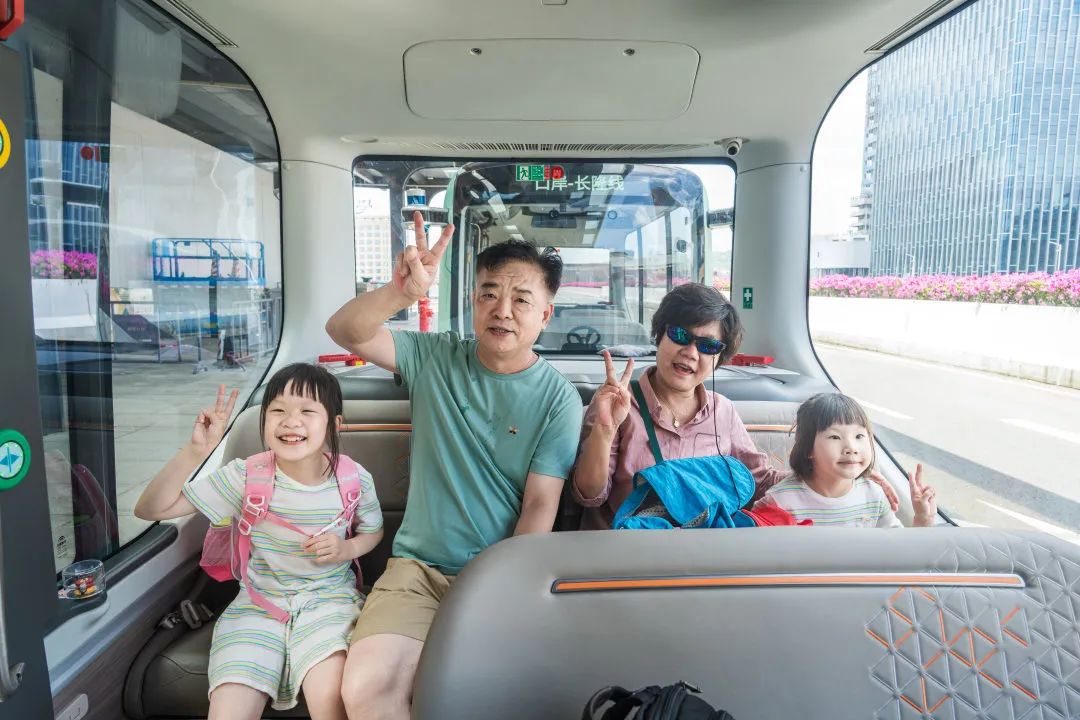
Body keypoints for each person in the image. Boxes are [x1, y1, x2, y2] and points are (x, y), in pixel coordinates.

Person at [325, 212, 583, 720]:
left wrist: (503, 588)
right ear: (472, 301)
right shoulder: (434, 357)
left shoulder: (559, 400)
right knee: (366, 690)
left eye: (521, 299)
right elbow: (344, 330)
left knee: (487, 695)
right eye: (489, 293)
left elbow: (539, 505)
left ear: (546, 314)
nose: (502, 310)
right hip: (416, 572)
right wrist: (399, 294)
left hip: (498, 574)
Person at [133, 365, 384, 720]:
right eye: (278, 410)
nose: (290, 421)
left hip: (331, 602)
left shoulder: (353, 479)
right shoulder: (245, 475)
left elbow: (373, 531)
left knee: (329, 698)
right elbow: (150, 509)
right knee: (229, 707)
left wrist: (347, 549)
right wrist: (196, 451)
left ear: (334, 425)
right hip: (258, 605)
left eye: (307, 411)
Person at [571, 283, 792, 529]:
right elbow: (589, 496)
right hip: (626, 546)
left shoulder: (723, 411)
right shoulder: (616, 402)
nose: (690, 353)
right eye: (680, 335)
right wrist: (604, 430)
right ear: (659, 335)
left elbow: (761, 481)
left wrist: (817, 469)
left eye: (708, 346)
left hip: (699, 547)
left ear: (719, 357)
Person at [752, 393, 937, 527]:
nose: (851, 447)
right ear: (808, 448)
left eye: (859, 436)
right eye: (835, 437)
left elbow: (896, 551)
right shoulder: (779, 501)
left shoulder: (873, 495)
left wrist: (922, 519)